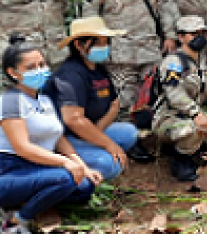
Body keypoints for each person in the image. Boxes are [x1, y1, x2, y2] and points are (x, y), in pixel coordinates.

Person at [0, 35, 101, 234]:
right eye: (31, 67)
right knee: (66, 179)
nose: (40, 70)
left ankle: (12, 205)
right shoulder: (11, 100)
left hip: (29, 169)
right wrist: (65, 163)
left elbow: (58, 139)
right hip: (1, 173)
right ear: (12, 73)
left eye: (42, 64)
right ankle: (15, 223)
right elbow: (22, 148)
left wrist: (83, 167)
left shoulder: (44, 101)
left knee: (84, 187)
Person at [81, 0, 173, 118]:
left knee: (154, 99)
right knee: (122, 103)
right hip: (118, 56)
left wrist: (170, 37)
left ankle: (151, 140)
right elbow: (89, 14)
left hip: (150, 52)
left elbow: (166, 9)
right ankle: (127, 141)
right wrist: (95, 44)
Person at [43, 17, 138, 181]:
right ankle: (66, 164)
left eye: (105, 42)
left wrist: (96, 136)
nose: (104, 47)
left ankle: (91, 151)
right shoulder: (70, 74)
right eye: (97, 43)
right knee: (109, 164)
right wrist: (108, 144)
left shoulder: (98, 69)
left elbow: (114, 105)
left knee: (129, 133)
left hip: (84, 131)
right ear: (79, 45)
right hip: (61, 139)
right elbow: (73, 119)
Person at [153, 16, 207, 182]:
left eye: (202, 33)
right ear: (181, 37)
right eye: (193, 33)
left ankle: (199, 150)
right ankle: (181, 160)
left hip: (197, 116)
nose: (199, 37)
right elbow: (174, 94)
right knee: (191, 129)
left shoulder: (204, 62)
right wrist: (195, 113)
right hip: (169, 118)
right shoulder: (173, 62)